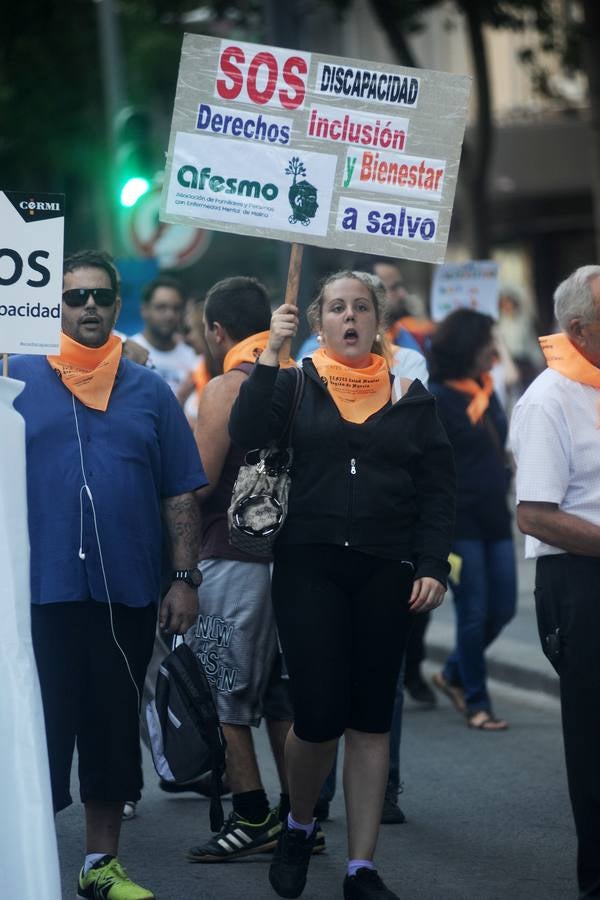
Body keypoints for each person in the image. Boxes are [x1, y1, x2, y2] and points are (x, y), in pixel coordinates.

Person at [229, 270, 455, 900]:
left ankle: (362, 868)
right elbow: (247, 433)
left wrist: (433, 564)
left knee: (370, 719)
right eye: (336, 308)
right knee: (320, 714)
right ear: (318, 322)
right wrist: (271, 353)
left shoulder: (411, 393)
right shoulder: (296, 382)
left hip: (388, 569)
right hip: (309, 565)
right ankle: (299, 820)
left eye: (361, 307)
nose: (349, 317)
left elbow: (438, 488)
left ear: (379, 322)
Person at [10, 250, 206, 900]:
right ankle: (23, 863)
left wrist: (183, 576)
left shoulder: (150, 389)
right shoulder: (14, 380)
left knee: (111, 731)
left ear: (119, 307)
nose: (88, 306)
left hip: (124, 592)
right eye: (74, 297)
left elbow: (180, 491)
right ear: (52, 307)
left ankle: (100, 868)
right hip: (33, 595)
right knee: (32, 736)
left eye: (100, 296)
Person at [183, 276, 308, 862]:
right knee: (282, 697)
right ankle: (299, 818)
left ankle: (253, 815)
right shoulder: (304, 382)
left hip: (231, 558)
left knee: (224, 690)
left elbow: (201, 483)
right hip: (295, 561)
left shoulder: (225, 388)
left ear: (217, 330)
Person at [510, 265, 600, 898]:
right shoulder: (547, 398)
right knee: (594, 740)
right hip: (578, 583)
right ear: (579, 330)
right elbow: (535, 514)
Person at [427, 309, 516, 730]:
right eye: (488, 343)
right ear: (468, 346)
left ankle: (452, 673)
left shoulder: (485, 389)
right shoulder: (437, 398)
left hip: (496, 518)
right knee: (475, 613)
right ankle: (477, 702)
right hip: (459, 525)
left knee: (504, 608)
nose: (493, 351)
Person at [131, 275, 197, 394]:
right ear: (144, 310)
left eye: (176, 308)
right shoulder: (129, 352)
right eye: (161, 307)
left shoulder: (192, 358)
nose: (170, 315)